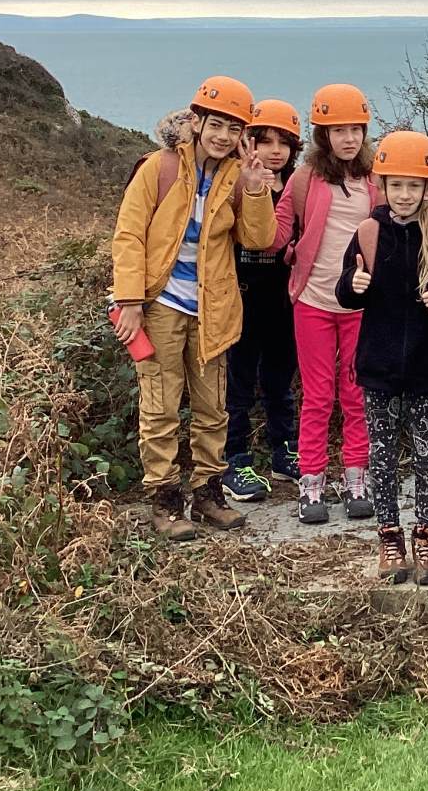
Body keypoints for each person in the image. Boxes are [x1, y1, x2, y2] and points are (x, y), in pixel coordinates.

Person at [111, 76, 279, 539]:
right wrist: (130, 302)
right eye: (216, 124)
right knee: (161, 407)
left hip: (213, 308)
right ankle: (165, 499)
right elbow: (129, 235)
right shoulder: (159, 167)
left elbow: (259, 239)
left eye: (234, 128)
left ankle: (207, 494)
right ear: (197, 121)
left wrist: (255, 190)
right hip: (161, 305)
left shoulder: (235, 176)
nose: (223, 136)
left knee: (212, 408)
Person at [336, 131, 428, 586]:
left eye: (415, 185)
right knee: (383, 456)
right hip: (379, 367)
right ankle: (389, 536)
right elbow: (345, 290)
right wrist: (353, 286)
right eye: (397, 185)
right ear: (382, 185)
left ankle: (426, 536)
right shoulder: (369, 232)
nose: (406, 194)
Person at [273, 83, 380, 525]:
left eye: (355, 129)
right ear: (323, 135)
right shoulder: (304, 179)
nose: (349, 138)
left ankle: (357, 477)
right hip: (313, 301)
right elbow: (275, 235)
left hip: (360, 304)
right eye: (339, 130)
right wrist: (253, 193)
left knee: (356, 394)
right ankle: (312, 481)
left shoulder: (375, 179)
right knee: (317, 396)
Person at [221, 98, 302, 501]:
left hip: (284, 299)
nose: (275, 151)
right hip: (241, 296)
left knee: (279, 381)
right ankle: (234, 459)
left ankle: (283, 452)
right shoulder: (234, 182)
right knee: (237, 384)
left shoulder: (299, 186)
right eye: (265, 140)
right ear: (247, 141)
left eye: (284, 143)